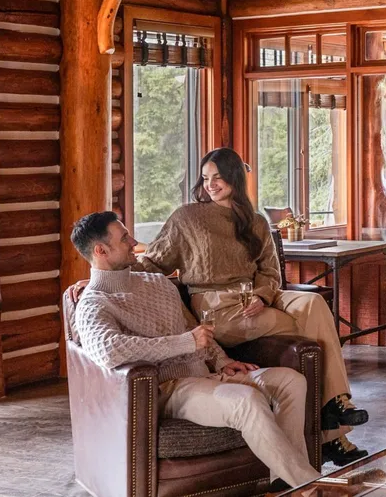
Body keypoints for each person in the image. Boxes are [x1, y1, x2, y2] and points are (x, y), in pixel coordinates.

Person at [134, 147, 369, 466]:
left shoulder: (255, 222)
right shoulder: (187, 217)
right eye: (205, 178)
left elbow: (271, 272)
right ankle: (332, 428)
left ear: (233, 177)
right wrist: (104, 275)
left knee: (312, 303)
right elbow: (153, 262)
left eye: (217, 177)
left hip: (254, 300)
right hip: (217, 308)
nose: (211, 184)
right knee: (312, 331)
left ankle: (337, 405)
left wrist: (261, 296)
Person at [70, 211, 321, 489]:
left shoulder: (158, 284)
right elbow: (109, 350)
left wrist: (222, 360)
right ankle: (314, 488)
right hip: (169, 388)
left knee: (291, 382)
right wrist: (185, 343)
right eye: (124, 238)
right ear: (101, 250)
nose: (134, 241)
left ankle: (284, 486)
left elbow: (195, 328)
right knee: (246, 401)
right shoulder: (93, 303)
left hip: (205, 376)